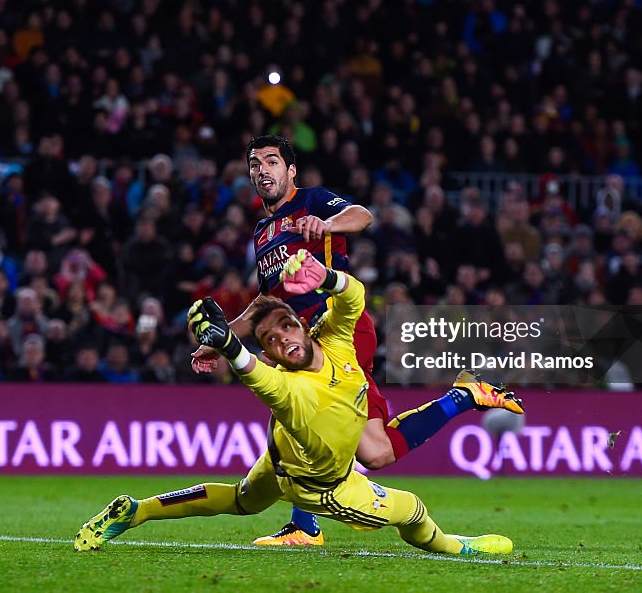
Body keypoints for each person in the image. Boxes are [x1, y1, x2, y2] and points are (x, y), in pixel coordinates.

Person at [74, 250, 520, 555]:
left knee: (242, 500)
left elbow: (354, 298)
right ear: (266, 350)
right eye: (270, 339)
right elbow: (253, 373)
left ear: (302, 326)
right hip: (322, 487)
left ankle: (138, 511)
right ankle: (458, 547)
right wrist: (229, 344)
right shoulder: (286, 387)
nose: (283, 338)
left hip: (279, 463)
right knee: (413, 510)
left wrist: (324, 277)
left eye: (286, 327)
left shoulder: (338, 343)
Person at [197, 134, 516, 547]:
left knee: (300, 416)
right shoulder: (262, 234)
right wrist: (220, 341)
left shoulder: (310, 201)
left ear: (290, 171)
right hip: (302, 341)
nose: (262, 170)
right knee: (376, 453)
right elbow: (266, 301)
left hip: (338, 328)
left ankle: (304, 527)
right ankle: (462, 396)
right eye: (255, 164)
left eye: (272, 162)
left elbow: (362, 215)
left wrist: (326, 225)